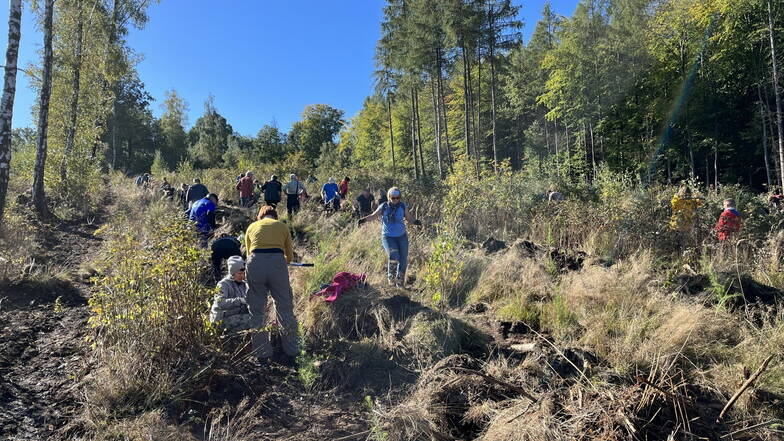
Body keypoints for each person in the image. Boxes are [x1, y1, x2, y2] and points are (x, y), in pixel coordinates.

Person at [243, 206, 298, 362]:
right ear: (275, 217)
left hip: (255, 263)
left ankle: (262, 355)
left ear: (260, 217)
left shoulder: (251, 227)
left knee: (257, 311)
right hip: (277, 263)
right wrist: (279, 264)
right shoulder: (282, 226)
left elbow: (248, 254)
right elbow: (290, 256)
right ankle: (291, 353)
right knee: (284, 308)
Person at [357, 187, 421, 287]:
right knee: (393, 255)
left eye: (397, 197)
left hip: (402, 236)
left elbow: (409, 218)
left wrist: (415, 222)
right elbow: (374, 216)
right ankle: (391, 278)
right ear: (389, 197)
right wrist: (363, 220)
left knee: (403, 260)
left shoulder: (402, 206)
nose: (395, 200)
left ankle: (400, 283)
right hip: (388, 236)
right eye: (393, 197)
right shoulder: (384, 207)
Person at [210, 256, 253, 333]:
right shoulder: (223, 284)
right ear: (232, 273)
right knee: (253, 321)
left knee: (258, 318)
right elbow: (220, 303)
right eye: (239, 273)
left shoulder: (244, 284)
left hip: (236, 316)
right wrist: (240, 300)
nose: (242, 276)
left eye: (244, 273)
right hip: (220, 320)